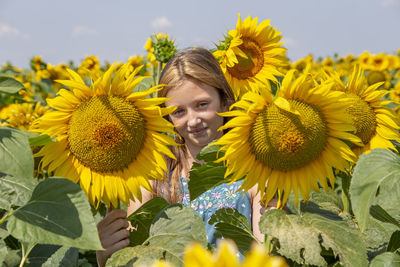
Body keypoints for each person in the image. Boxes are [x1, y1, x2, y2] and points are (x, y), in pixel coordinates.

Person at [96, 48, 272, 267]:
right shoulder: (155, 175)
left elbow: (266, 253)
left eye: (202, 105)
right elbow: (134, 257)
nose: (193, 121)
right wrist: (104, 256)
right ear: (168, 117)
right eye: (179, 111)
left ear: (225, 101)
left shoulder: (254, 172)